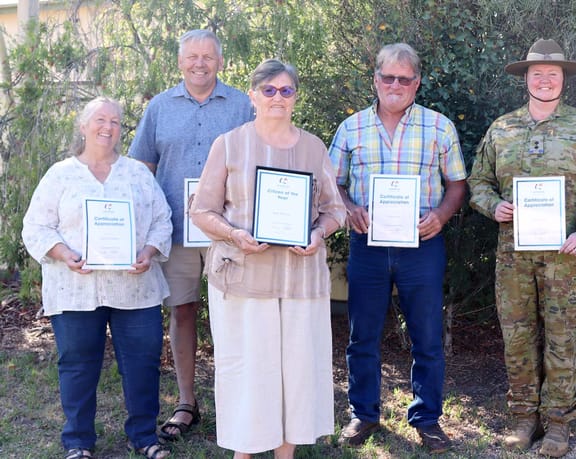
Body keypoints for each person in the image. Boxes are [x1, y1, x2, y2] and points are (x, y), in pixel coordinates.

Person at [468, 39, 576, 457]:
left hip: (566, 257)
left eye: (553, 73)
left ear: (564, 79)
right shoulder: (503, 128)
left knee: (561, 338)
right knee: (517, 336)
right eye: (538, 73)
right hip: (513, 255)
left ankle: (557, 424)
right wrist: (493, 205)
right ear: (526, 79)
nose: (546, 79)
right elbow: (478, 182)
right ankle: (523, 417)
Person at [189, 59, 345, 459]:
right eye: (270, 90)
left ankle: (284, 455)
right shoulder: (229, 144)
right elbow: (202, 211)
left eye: (286, 90)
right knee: (249, 375)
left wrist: (317, 233)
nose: (278, 97)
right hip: (243, 282)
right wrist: (234, 234)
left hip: (300, 282)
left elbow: (336, 210)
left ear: (295, 97)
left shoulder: (313, 147)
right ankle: (244, 453)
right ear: (253, 95)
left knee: (295, 375)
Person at [329, 42, 467, 453]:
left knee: (427, 336)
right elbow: (331, 182)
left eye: (404, 79)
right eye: (387, 77)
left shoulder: (439, 127)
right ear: (375, 80)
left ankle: (427, 419)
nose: (395, 85)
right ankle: (364, 413)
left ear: (417, 83)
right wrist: (349, 208)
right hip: (367, 246)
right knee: (362, 335)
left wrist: (441, 216)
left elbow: (458, 184)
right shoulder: (351, 128)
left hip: (421, 246)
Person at [22, 97, 172, 459]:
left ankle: (144, 436)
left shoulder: (137, 173)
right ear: (83, 126)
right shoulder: (60, 174)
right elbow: (35, 226)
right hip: (75, 287)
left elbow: (162, 221)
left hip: (135, 288)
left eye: (116, 122)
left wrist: (149, 252)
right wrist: (64, 254)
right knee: (77, 364)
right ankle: (78, 442)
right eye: (100, 120)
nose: (108, 127)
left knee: (142, 363)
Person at [128, 29, 253, 440]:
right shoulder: (160, 107)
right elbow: (141, 168)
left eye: (208, 56)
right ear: (180, 61)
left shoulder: (242, 105)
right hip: (177, 232)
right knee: (182, 313)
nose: (199, 63)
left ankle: (237, 400)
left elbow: (260, 161)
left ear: (221, 62)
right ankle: (186, 402)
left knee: (233, 316)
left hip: (228, 233)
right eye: (192, 57)